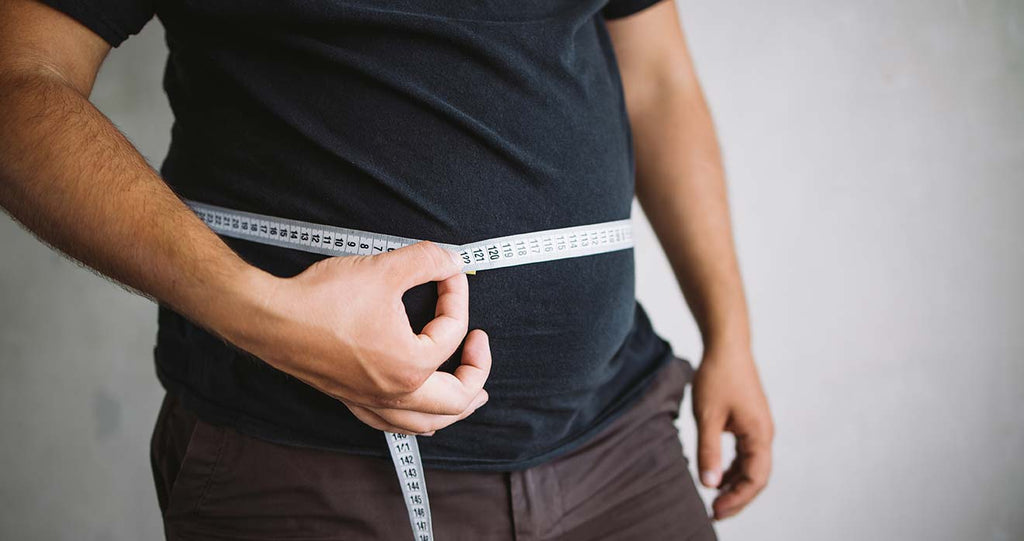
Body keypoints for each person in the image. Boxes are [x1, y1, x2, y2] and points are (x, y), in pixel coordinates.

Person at [0, 0, 774, 538]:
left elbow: (658, 77)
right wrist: (265, 316)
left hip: (622, 441)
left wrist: (729, 332)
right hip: (305, 468)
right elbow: (18, 81)